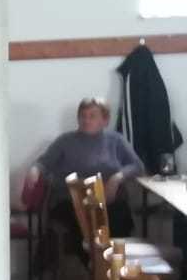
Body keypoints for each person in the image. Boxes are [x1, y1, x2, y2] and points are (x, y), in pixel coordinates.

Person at [28, 96, 146, 239]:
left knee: (118, 219)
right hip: (71, 201)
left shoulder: (116, 140)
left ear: (105, 120)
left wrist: (117, 178)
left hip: (108, 203)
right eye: (83, 116)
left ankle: (111, 252)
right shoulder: (65, 141)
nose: (86, 120)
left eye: (92, 116)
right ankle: (88, 253)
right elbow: (42, 164)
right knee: (78, 225)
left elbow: (138, 166)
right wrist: (35, 170)